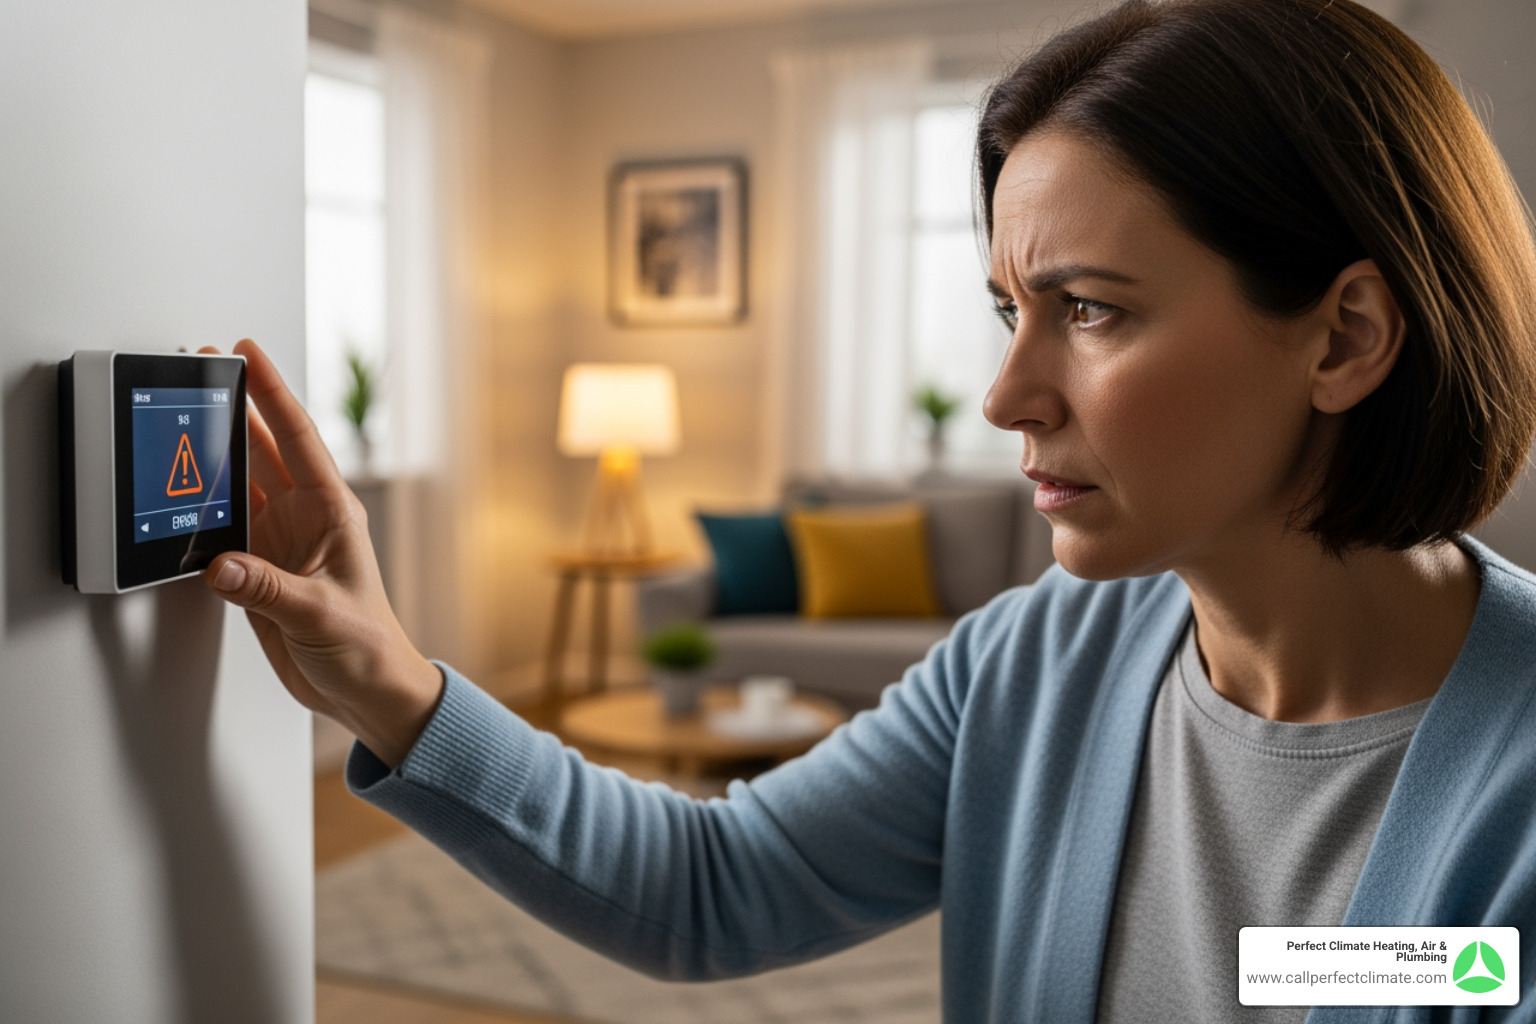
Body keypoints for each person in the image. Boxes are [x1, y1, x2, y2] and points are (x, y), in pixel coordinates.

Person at [207, 0, 1536, 1019]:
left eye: (1090, 310)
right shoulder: (1032, 663)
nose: (1007, 392)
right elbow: (711, 888)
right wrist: (388, 680)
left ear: (1345, 335)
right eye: (1011, 313)